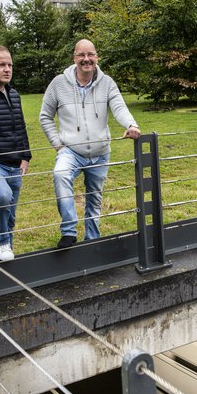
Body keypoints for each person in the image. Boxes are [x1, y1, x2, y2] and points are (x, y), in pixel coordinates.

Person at [39, 39, 140, 248]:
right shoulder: (58, 83)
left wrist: (131, 124)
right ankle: (69, 231)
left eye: (91, 54)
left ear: (97, 57)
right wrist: (58, 145)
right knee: (60, 175)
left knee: (94, 197)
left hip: (100, 151)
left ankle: (92, 241)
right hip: (71, 151)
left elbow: (119, 106)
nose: (86, 59)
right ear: (74, 58)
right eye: (81, 55)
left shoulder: (107, 82)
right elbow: (45, 116)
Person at [0, 45, 31, 262]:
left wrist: (26, 156)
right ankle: (2, 242)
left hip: (15, 162)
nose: (7, 69)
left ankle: (6, 258)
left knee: (11, 215)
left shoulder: (14, 95)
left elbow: (21, 127)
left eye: (9, 65)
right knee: (2, 196)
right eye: (1, 64)